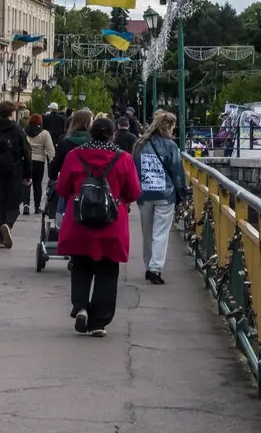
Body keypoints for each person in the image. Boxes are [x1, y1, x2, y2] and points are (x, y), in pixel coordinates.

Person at [54, 116, 142, 337]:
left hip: (80, 221)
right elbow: (133, 192)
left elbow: (62, 188)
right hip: (111, 224)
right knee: (108, 271)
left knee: (80, 265)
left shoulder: (75, 156)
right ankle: (99, 322)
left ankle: (81, 306)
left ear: (90, 133)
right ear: (113, 135)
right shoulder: (124, 158)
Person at [133, 110, 191, 285]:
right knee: (160, 233)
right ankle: (155, 268)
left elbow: (134, 169)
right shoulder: (171, 147)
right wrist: (183, 196)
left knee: (147, 232)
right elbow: (177, 173)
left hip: (144, 193)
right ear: (169, 127)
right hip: (165, 194)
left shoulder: (140, 144)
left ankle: (148, 264)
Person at [0, 100, 32, 249]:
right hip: (14, 170)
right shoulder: (17, 130)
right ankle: (7, 225)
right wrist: (28, 175)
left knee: (1, 203)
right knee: (15, 202)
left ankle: (2, 238)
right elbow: (27, 152)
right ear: (12, 113)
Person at [22, 113, 55, 217]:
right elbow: (50, 149)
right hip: (39, 161)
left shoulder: (24, 132)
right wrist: (52, 162)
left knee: (26, 183)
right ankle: (37, 207)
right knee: (37, 184)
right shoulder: (45, 133)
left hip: (27, 160)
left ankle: (26, 205)